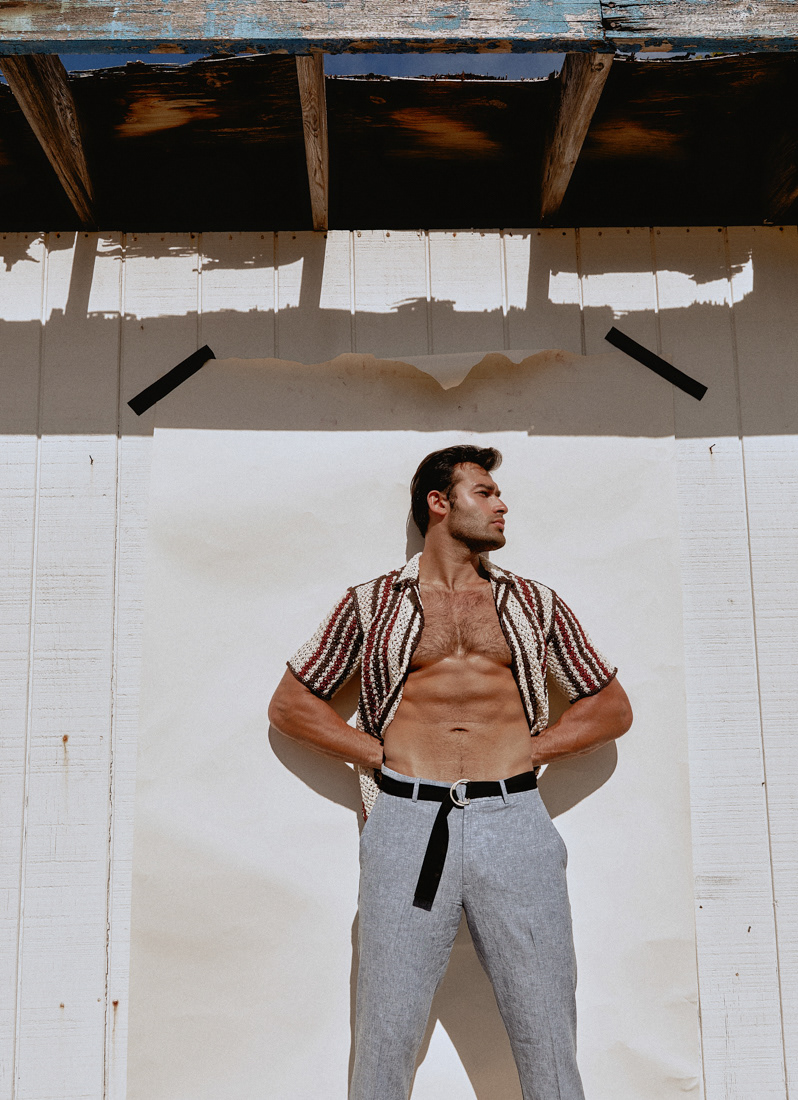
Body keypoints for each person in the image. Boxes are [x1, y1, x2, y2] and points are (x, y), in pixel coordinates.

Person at [268, 444, 633, 1100]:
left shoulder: (533, 602)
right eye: (485, 492)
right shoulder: (371, 604)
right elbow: (292, 705)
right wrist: (376, 754)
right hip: (408, 820)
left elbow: (610, 707)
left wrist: (534, 751)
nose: (502, 505)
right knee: (387, 1028)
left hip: (513, 817)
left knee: (547, 1025)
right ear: (439, 503)